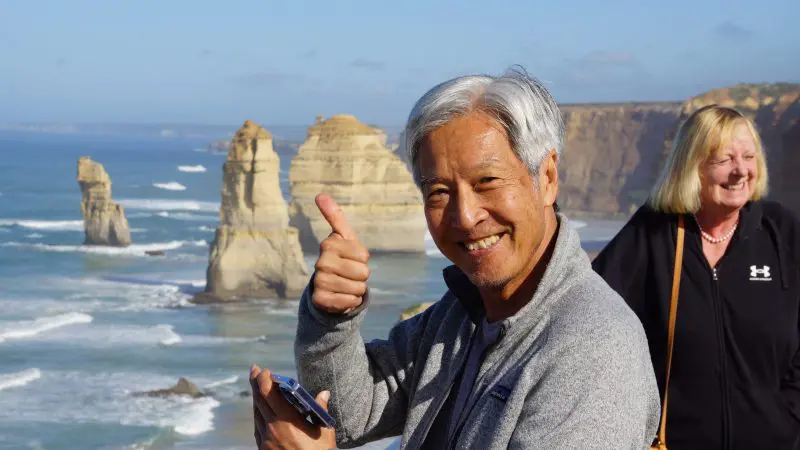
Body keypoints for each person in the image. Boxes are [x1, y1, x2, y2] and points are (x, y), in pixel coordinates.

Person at [251, 67, 660, 449]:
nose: (464, 216)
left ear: (547, 176)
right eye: (439, 192)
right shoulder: (465, 312)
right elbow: (348, 415)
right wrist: (331, 317)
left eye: (487, 182)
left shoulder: (593, 348)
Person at [592, 104, 800, 449]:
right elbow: (591, 317)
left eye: (748, 157)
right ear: (692, 166)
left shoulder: (781, 232)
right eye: (724, 160)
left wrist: (789, 415)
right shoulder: (655, 234)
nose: (740, 171)